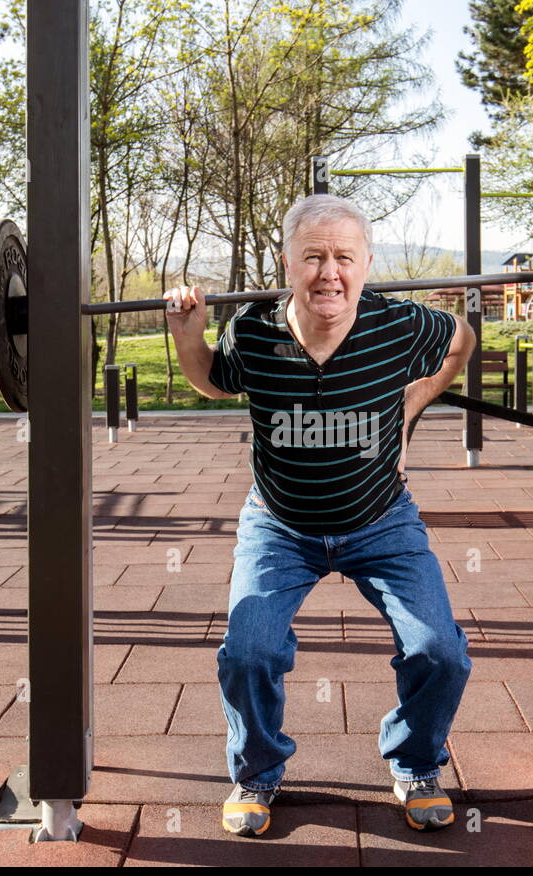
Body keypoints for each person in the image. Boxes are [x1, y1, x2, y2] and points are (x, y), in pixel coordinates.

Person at [164, 193, 476, 837]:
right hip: (280, 526)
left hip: (382, 520)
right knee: (247, 653)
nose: (328, 273)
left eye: (343, 258)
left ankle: (416, 762)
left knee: (441, 651)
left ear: (365, 266)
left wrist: (415, 402)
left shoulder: (403, 327)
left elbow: (461, 341)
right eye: (312, 257)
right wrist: (186, 336)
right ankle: (256, 771)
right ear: (287, 264)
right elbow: (213, 381)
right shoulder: (252, 330)